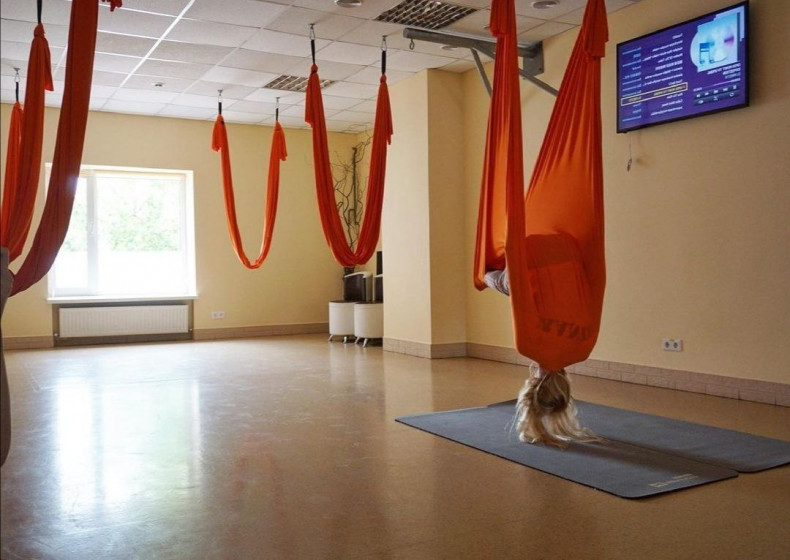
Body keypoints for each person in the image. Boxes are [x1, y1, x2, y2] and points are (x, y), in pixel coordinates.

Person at [485, 269, 596, 447]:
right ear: (533, 382)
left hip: (568, 269)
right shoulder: (527, 345)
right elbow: (503, 281)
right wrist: (484, 278)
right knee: (488, 278)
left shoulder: (582, 349)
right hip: (532, 273)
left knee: (504, 283)